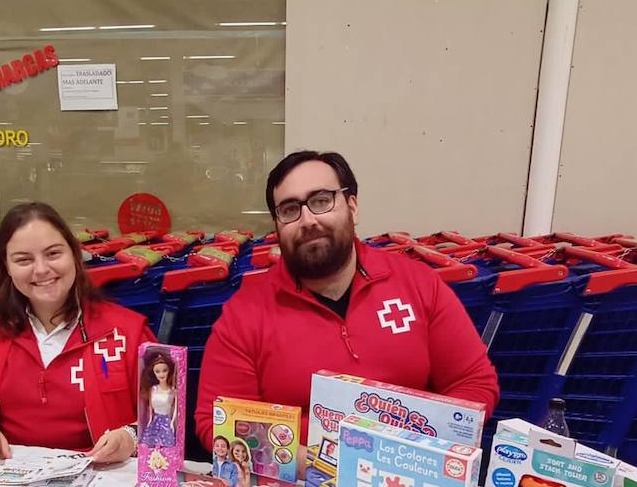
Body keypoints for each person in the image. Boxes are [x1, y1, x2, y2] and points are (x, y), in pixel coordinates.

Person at [195, 150, 499, 449]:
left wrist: (407, 448)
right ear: (277, 226)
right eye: (289, 209)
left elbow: (474, 383)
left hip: (408, 477)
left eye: (321, 201)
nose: (308, 220)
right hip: (298, 485)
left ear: (352, 207)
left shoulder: (418, 284)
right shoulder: (245, 313)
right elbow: (218, 422)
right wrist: (314, 463)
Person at [0, 202, 155, 468]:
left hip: (103, 474)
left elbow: (166, 410)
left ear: (75, 255)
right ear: (6, 267)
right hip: (9, 474)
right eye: (23, 260)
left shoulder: (129, 332)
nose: (41, 270)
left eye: (53, 254)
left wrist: (131, 436)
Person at [138, 347, 178, 448]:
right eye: (157, 371)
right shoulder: (153, 389)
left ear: (169, 371)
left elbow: (175, 409)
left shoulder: (172, 391)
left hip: (167, 421)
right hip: (155, 420)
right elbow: (151, 409)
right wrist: (149, 421)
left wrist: (173, 423)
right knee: (150, 444)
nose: (161, 374)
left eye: (164, 370)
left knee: (167, 444)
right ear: (153, 372)